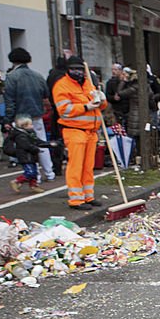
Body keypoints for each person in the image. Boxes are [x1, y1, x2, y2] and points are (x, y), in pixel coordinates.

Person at [52, 55, 107, 210]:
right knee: (76, 166)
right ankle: (76, 200)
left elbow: (100, 107)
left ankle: (88, 196)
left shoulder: (88, 84)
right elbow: (64, 111)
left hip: (90, 131)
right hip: (74, 130)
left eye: (80, 69)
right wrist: (86, 107)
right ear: (68, 70)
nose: (77, 72)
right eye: (74, 69)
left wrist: (102, 100)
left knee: (88, 167)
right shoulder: (62, 86)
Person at [4, 47, 55, 181]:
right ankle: (49, 172)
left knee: (25, 146)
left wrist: (7, 120)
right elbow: (45, 94)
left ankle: (34, 175)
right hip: (37, 114)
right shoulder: (37, 75)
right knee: (41, 143)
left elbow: (9, 101)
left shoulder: (11, 77)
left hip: (20, 115)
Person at [6, 114, 47, 193]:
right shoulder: (21, 136)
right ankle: (17, 181)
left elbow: (36, 141)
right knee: (30, 172)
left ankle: (33, 185)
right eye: (30, 124)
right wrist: (36, 149)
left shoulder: (29, 133)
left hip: (30, 156)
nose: (32, 126)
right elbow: (26, 146)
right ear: (24, 126)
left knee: (34, 172)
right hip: (25, 156)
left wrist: (46, 144)